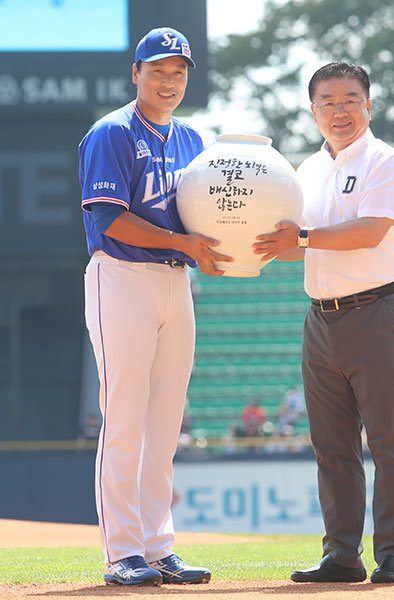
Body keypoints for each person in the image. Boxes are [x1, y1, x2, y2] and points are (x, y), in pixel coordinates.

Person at [253, 62, 394, 584]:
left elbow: (369, 232)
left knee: (389, 441)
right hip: (320, 318)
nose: (339, 110)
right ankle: (342, 555)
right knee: (332, 447)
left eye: (350, 99)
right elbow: (286, 239)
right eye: (327, 101)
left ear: (368, 104)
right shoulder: (304, 170)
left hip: (376, 312)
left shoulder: (384, 161)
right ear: (313, 111)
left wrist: (299, 240)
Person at [79, 27, 232, 587]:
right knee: (124, 419)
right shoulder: (112, 132)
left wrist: (221, 249)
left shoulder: (193, 139)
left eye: (178, 72)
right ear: (136, 73)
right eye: (158, 70)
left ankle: (157, 546)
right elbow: (109, 218)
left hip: (175, 282)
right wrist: (185, 245)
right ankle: (123, 551)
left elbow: (205, 218)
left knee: (165, 422)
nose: (169, 81)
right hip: (120, 277)